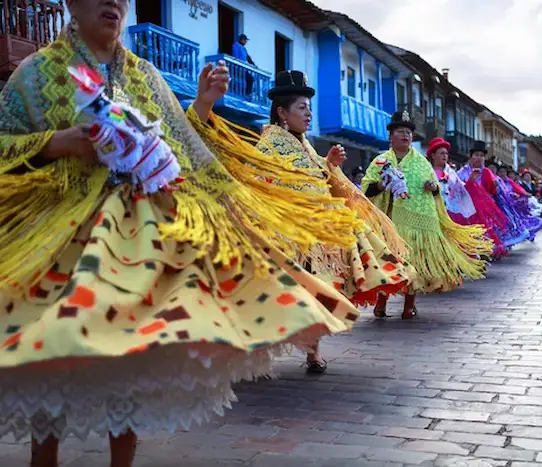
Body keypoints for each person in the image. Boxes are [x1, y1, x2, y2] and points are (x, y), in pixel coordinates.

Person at [0, 2, 365, 464]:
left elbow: (182, 150)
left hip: (134, 247)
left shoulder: (146, 77)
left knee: (127, 368)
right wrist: (57, 143)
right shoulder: (35, 75)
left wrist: (202, 106)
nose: (113, 2)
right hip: (55, 243)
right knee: (46, 364)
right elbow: (2, 142)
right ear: (71, 2)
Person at [189, 69, 414, 369]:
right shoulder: (269, 144)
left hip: (317, 230)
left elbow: (316, 177)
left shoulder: (305, 144)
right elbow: (262, 182)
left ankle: (312, 351)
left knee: (319, 288)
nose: (308, 114)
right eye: (301, 108)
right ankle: (254, 344)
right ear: (282, 112)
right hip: (287, 232)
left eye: (309, 108)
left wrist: (329, 165)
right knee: (291, 291)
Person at [363, 112, 492, 319]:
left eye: (408, 132)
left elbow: (436, 192)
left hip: (415, 227)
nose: (405, 135)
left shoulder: (422, 164)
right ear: (390, 136)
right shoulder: (380, 161)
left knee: (414, 263)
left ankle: (408, 305)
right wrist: (381, 184)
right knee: (386, 262)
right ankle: (381, 302)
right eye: (400, 131)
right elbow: (366, 190)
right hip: (387, 223)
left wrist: (433, 188)